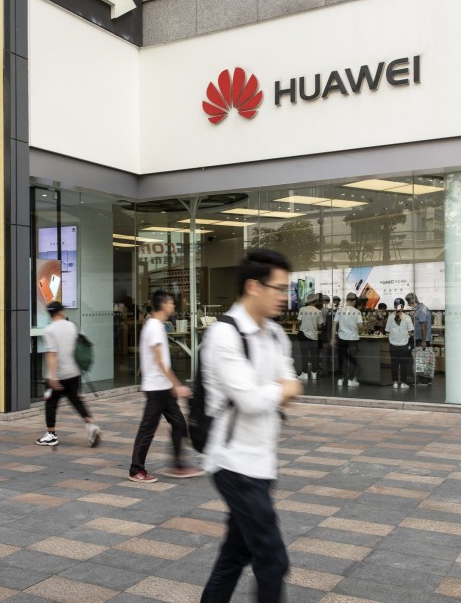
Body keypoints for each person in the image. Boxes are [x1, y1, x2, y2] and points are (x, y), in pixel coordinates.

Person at [200, 249, 303, 603]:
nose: (284, 297)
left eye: (286, 289)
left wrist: (276, 389)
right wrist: (280, 389)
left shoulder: (275, 334)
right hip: (233, 463)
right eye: (278, 288)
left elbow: (289, 383)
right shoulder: (224, 335)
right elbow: (251, 400)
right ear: (253, 286)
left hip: (262, 461)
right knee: (273, 560)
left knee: (235, 554)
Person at [128, 290, 203, 483]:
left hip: (162, 387)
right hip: (156, 387)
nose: (173, 307)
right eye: (171, 304)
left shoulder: (156, 326)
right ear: (163, 305)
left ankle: (179, 466)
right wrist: (176, 385)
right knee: (148, 428)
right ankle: (136, 469)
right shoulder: (154, 327)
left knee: (178, 424)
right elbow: (161, 362)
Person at [36, 301, 101, 448]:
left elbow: (52, 355)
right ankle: (91, 425)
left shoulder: (49, 330)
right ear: (61, 312)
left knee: (51, 403)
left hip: (58, 374)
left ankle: (51, 434)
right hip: (74, 372)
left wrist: (52, 376)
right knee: (76, 400)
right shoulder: (72, 326)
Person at [332, 292, 364, 386]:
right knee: (352, 360)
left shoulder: (339, 311)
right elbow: (360, 327)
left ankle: (340, 379)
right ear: (354, 301)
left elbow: (334, 324)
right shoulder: (357, 312)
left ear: (346, 300)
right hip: (353, 339)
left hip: (341, 338)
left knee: (341, 359)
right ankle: (351, 380)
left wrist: (333, 337)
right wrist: (364, 326)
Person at [386, 298, 413, 388]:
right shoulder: (407, 317)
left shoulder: (390, 317)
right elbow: (410, 332)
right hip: (404, 345)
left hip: (393, 345)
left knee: (394, 364)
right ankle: (403, 383)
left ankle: (395, 383)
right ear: (403, 306)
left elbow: (387, 331)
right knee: (403, 364)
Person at [295, 294, 323, 380]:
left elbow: (298, 321)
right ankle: (314, 374)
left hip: (304, 336)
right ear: (315, 301)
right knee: (314, 356)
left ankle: (304, 374)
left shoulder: (302, 309)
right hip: (314, 337)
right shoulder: (319, 312)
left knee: (305, 356)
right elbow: (320, 326)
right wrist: (313, 325)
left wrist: (304, 323)